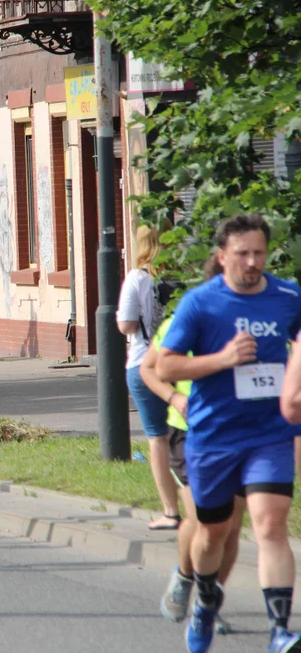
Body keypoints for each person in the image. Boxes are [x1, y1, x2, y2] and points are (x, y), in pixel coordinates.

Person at [157, 214, 301, 653]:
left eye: (259, 252)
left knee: (271, 525)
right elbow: (165, 366)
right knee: (212, 533)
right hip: (214, 435)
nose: (252, 261)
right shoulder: (201, 303)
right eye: (242, 254)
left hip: (270, 433)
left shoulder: (288, 296)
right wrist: (221, 359)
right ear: (222, 257)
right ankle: (204, 603)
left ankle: (280, 630)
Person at [141, 255, 243, 634]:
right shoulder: (184, 319)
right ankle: (186, 575)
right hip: (190, 431)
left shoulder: (255, 324)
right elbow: (148, 369)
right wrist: (174, 399)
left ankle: (208, 600)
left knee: (231, 526)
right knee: (203, 520)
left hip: (240, 432)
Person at [118, 226, 181, 531]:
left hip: (144, 364)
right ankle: (196, 500)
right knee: (184, 434)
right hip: (181, 364)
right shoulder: (182, 279)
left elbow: (126, 324)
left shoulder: (137, 278)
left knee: (157, 439)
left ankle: (171, 510)